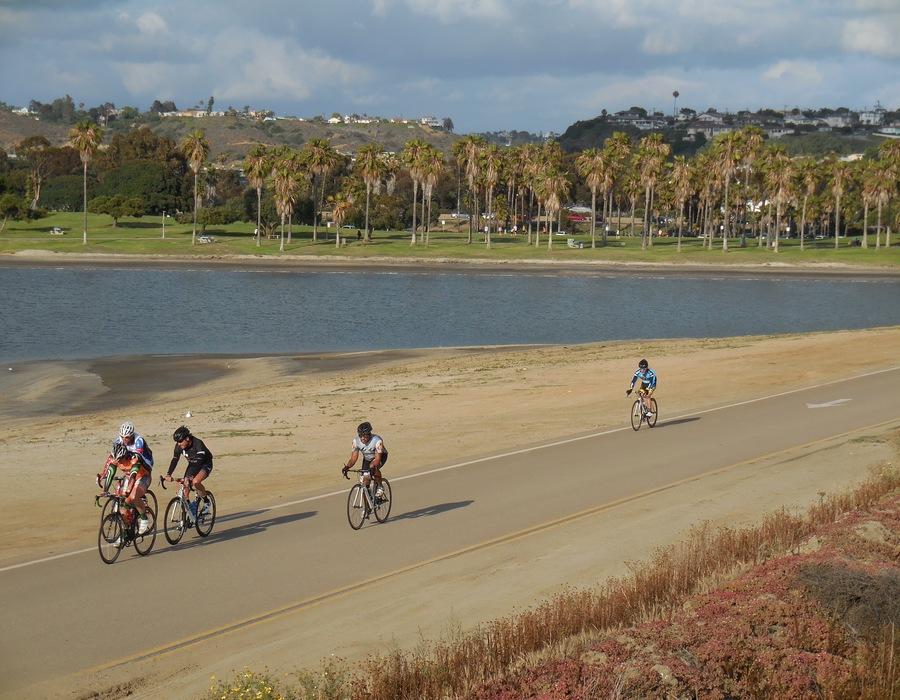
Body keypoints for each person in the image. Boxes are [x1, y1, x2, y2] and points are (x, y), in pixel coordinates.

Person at [112, 421, 154, 534]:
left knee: (133, 496)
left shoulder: (138, 441)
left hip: (143, 466)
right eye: (122, 437)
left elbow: (136, 464)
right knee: (123, 504)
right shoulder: (118, 441)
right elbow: (113, 460)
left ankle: (144, 518)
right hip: (130, 468)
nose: (124, 439)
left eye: (127, 437)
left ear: (131, 435)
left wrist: (130, 486)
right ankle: (124, 533)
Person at [165, 426, 213, 521]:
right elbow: (175, 460)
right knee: (185, 486)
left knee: (195, 482)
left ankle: (207, 502)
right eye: (177, 442)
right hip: (192, 465)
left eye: (180, 441)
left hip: (204, 463)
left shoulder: (198, 444)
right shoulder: (179, 446)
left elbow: (199, 462)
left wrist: (190, 477)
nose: (178, 444)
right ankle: (190, 509)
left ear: (187, 438)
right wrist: (168, 474)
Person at [341, 421, 388, 501]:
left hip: (380, 456)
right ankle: (367, 507)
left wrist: (372, 468)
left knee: (373, 467)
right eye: (360, 436)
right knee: (364, 482)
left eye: (364, 436)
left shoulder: (377, 441)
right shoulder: (356, 441)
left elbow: (377, 459)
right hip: (367, 458)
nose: (362, 438)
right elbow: (353, 458)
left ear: (369, 434)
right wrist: (347, 467)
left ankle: (380, 486)